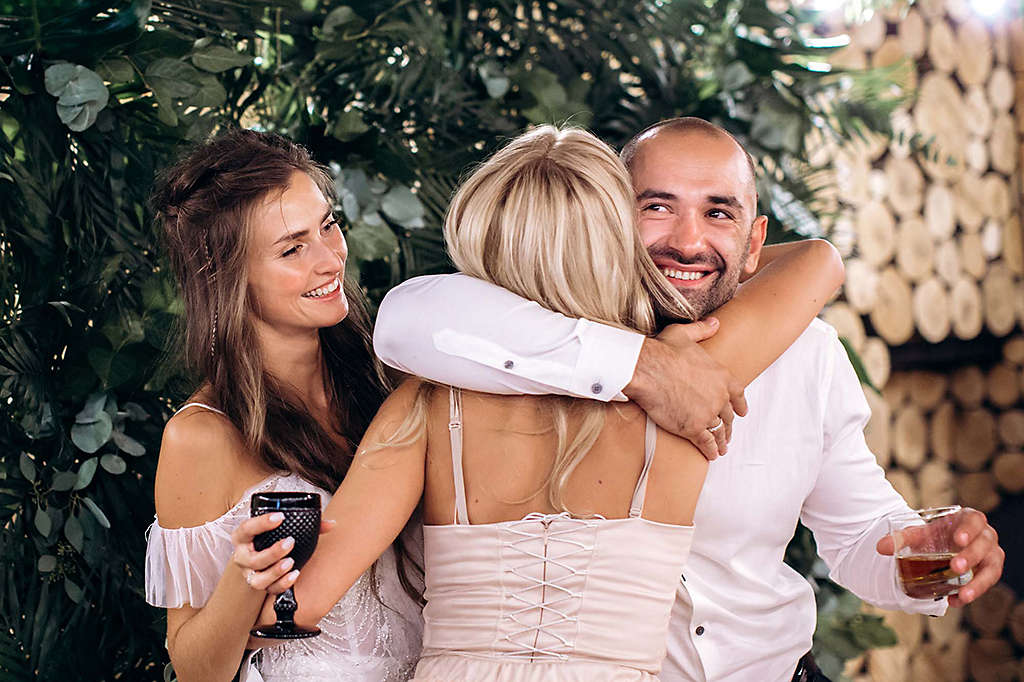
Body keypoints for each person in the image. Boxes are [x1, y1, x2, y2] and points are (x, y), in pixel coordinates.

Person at [372, 118, 1006, 682]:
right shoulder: (538, 330)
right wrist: (644, 368)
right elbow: (404, 320)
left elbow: (862, 534)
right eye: (657, 206)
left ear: (756, 243)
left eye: (719, 212)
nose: (688, 241)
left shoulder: (808, 354)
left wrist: (924, 557)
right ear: (609, 219)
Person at [241, 125, 844, 680]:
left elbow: (293, 609)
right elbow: (815, 263)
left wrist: (251, 581)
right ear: (617, 245)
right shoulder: (690, 391)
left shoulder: (426, 408)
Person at [143, 129, 423, 682]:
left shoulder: (391, 383)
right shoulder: (203, 437)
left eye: (328, 226)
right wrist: (243, 580)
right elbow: (198, 669)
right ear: (225, 278)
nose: (329, 260)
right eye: (292, 248)